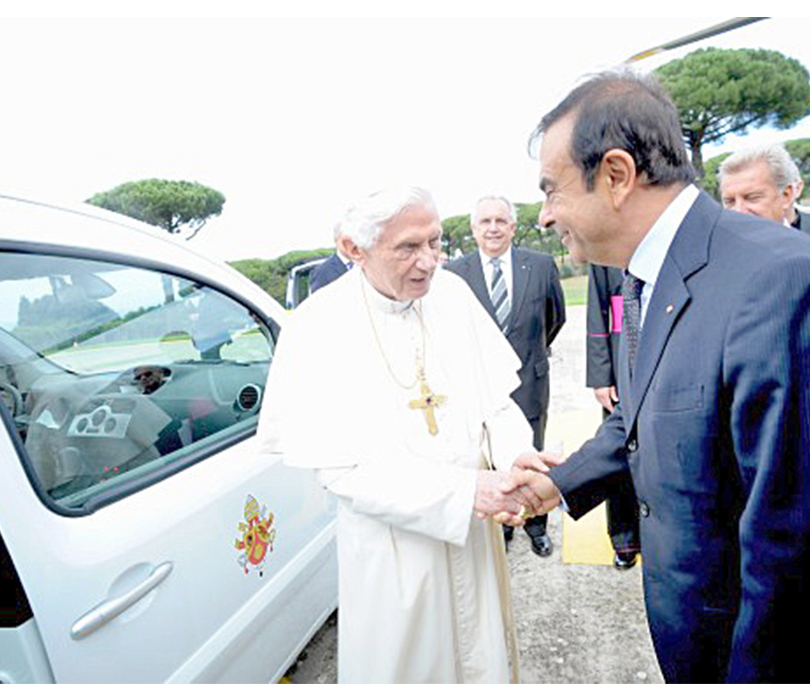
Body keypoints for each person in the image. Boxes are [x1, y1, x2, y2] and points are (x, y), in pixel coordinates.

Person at [519, 69, 810, 682]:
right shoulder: (652, 279)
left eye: (551, 191)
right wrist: (559, 483)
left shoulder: (782, 283)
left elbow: (803, 560)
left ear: (615, 176)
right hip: (694, 640)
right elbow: (649, 411)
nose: (543, 217)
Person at [257, 186, 557, 683]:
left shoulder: (453, 296)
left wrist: (517, 458)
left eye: (435, 243)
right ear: (356, 249)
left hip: (474, 535)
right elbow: (340, 469)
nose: (429, 262)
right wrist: (465, 492)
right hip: (392, 549)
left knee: (483, 664)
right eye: (408, 248)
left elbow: (496, 405)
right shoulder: (317, 325)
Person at [447, 195, 566, 557]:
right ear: (473, 229)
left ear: (513, 227)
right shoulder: (454, 275)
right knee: (487, 453)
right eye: (485, 222)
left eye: (501, 221)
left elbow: (555, 318)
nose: (493, 228)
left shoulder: (542, 266)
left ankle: (536, 525)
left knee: (530, 453)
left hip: (530, 381)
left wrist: (530, 355)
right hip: (477, 386)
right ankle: (502, 526)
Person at [584, 264, 640, 569]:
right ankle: (624, 538)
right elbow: (597, 315)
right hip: (620, 369)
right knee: (619, 450)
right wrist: (600, 376)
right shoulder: (604, 248)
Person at [718, 143, 810, 232]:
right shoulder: (717, 252)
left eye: (752, 198)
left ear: (786, 195)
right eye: (729, 202)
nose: (739, 211)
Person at [308, 220, 353, 292]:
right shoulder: (322, 271)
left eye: (354, 239)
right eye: (346, 241)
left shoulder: (365, 264)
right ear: (336, 240)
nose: (351, 244)